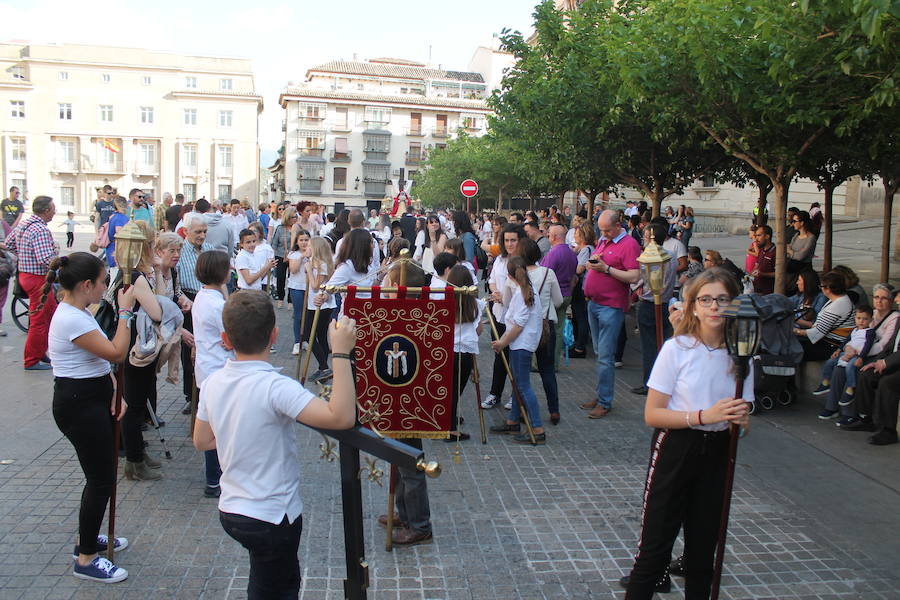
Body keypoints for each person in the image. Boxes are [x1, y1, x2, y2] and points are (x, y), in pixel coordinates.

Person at [192, 291, 358, 598]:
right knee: (279, 588)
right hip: (271, 515)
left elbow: (202, 440)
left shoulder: (213, 382)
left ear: (225, 339)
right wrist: (341, 353)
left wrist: (238, 432)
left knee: (264, 579)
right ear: (274, 335)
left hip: (232, 510)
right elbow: (342, 417)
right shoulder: (275, 386)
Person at [623, 268, 752, 599]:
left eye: (722, 299)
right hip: (676, 447)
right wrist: (703, 416)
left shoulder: (742, 354)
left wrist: (741, 420)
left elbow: (744, 412)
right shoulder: (677, 349)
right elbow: (652, 414)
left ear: (733, 304)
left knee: (702, 553)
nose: (714, 307)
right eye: (705, 299)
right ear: (693, 305)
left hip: (719, 450)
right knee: (654, 551)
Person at [44, 253, 135, 582]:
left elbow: (99, 363)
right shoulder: (71, 317)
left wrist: (113, 390)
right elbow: (115, 352)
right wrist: (125, 311)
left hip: (92, 399)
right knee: (101, 480)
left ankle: (88, 537)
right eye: (101, 282)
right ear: (86, 285)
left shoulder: (78, 311)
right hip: (79, 406)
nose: (104, 288)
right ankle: (85, 559)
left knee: (100, 476)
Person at [120, 221, 169, 482]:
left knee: (138, 404)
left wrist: (159, 272)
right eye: (152, 244)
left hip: (139, 346)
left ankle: (137, 455)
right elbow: (158, 311)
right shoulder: (134, 277)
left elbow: (160, 299)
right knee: (135, 405)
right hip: (137, 349)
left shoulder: (135, 273)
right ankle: (134, 462)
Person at [580, 210, 641, 418]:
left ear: (618, 225)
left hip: (611, 306)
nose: (603, 234)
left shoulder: (629, 244)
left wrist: (606, 269)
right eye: (601, 230)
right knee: (599, 354)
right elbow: (598, 264)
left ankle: (605, 401)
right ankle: (601, 394)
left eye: (607, 230)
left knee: (605, 356)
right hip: (595, 304)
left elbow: (634, 275)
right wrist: (592, 264)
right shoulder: (606, 241)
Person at [488, 256, 548, 444]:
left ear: (510, 276)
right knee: (517, 383)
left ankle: (537, 428)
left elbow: (518, 326)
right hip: (520, 343)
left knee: (523, 386)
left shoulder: (525, 293)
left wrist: (502, 343)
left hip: (522, 344)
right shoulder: (524, 290)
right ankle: (513, 420)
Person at [191, 250, 233, 498]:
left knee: (216, 424)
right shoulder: (216, 304)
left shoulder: (204, 296)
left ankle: (215, 478)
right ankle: (215, 479)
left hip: (209, 366)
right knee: (219, 427)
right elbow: (230, 336)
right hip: (218, 368)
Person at [831, 286, 900, 430]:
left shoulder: (895, 318)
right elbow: (855, 335)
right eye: (876, 297)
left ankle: (856, 415)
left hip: (874, 355)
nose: (879, 301)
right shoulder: (870, 314)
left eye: (884, 298)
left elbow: (883, 345)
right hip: (865, 353)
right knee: (838, 366)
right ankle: (832, 407)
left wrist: (859, 353)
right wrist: (849, 349)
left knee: (857, 369)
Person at [5, 195, 59, 370]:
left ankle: (40, 351)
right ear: (46, 211)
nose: (55, 211)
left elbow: (8, 243)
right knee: (39, 320)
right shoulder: (41, 230)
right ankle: (32, 359)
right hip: (37, 279)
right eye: (53, 208)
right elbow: (46, 259)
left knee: (50, 313)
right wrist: (59, 258)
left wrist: (24, 253)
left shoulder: (24, 224)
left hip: (26, 275)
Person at [518, 238, 563, 424]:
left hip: (524, 328)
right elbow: (558, 300)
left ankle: (521, 410)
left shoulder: (517, 274)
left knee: (522, 371)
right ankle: (554, 409)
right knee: (547, 369)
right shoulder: (548, 273)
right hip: (545, 324)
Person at [482, 224, 526, 409]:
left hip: (517, 317)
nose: (509, 244)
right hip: (499, 314)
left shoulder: (525, 260)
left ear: (520, 240)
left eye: (513, 240)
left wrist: (506, 296)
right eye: (506, 240)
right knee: (499, 356)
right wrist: (496, 293)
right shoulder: (500, 259)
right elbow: (492, 280)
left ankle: (515, 396)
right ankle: (495, 393)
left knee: (515, 358)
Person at [632, 222, 679, 396]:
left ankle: (650, 383)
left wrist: (636, 287)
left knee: (649, 346)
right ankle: (664, 381)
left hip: (649, 302)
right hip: (665, 301)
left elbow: (638, 279)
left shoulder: (648, 256)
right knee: (663, 344)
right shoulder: (672, 255)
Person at [175, 214, 211, 414]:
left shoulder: (209, 249)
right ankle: (191, 395)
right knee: (189, 351)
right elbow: (176, 281)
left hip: (206, 298)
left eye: (205, 231)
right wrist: (182, 299)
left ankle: (204, 391)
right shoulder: (180, 251)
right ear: (186, 231)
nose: (202, 235)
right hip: (188, 302)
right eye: (198, 232)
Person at [445, 264, 484, 441]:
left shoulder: (445, 301)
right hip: (465, 352)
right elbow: (479, 330)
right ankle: (450, 428)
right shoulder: (475, 304)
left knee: (447, 389)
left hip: (447, 350)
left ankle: (447, 421)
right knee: (455, 391)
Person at [815, 305, 874, 417]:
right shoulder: (855, 330)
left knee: (850, 367)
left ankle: (851, 387)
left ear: (871, 319)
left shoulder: (870, 332)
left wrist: (861, 357)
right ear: (855, 318)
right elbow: (846, 340)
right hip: (847, 353)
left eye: (865, 319)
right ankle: (826, 381)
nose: (861, 321)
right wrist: (838, 350)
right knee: (831, 361)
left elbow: (868, 346)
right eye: (859, 318)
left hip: (858, 356)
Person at [793, 271, 855, 361]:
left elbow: (816, 333)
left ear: (828, 289)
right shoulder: (841, 299)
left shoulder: (836, 306)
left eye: (821, 286)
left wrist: (795, 331)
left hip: (830, 346)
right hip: (831, 342)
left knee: (791, 348)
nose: (821, 289)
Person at [541, 223, 578, 370]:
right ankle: (555, 362)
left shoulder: (553, 254)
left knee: (549, 331)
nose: (548, 236)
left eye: (549, 234)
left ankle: (546, 362)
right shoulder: (571, 253)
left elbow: (544, 275)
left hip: (554, 296)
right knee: (558, 329)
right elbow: (574, 276)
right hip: (566, 294)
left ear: (555, 236)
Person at [569, 222, 596, 359]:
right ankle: (578, 342)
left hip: (581, 286)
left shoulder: (586, 250)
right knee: (578, 315)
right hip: (580, 286)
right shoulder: (582, 249)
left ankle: (580, 346)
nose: (574, 236)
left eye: (577, 234)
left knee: (581, 316)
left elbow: (579, 269)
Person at [286, 230, 310, 356]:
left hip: (310, 288)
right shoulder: (293, 254)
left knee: (308, 315)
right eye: (301, 240)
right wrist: (302, 257)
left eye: (306, 240)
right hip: (296, 287)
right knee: (299, 314)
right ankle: (297, 341)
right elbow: (293, 270)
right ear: (297, 241)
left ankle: (305, 339)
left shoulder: (313, 254)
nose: (304, 242)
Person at [271, 206, 297, 307]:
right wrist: (272, 256)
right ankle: (280, 298)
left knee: (292, 278)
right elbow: (274, 243)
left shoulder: (297, 228)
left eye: (296, 217)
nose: (295, 219)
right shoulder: (280, 228)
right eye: (293, 217)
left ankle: (290, 300)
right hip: (280, 255)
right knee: (280, 278)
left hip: (293, 256)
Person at [786, 210, 816, 275]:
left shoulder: (811, 238)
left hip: (803, 270)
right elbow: (788, 250)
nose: (793, 223)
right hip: (792, 268)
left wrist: (790, 251)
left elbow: (800, 256)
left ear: (802, 223)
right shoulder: (796, 235)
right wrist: (791, 252)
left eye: (795, 221)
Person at [104, 197, 130, 269]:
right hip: (118, 252)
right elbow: (120, 236)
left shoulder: (113, 216)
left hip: (112, 250)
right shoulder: (121, 218)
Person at [751, 225, 776, 295]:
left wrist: (762, 274)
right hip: (756, 289)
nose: (756, 239)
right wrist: (751, 274)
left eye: (759, 235)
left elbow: (779, 274)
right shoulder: (761, 250)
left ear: (767, 236)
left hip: (768, 293)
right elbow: (757, 265)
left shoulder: (775, 252)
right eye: (755, 236)